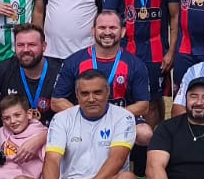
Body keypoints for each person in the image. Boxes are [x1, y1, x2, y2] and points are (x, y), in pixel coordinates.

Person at [11, 69, 139, 179]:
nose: (91, 98)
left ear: (108, 92)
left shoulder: (123, 117)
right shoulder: (62, 118)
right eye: (85, 93)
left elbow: (116, 160)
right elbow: (52, 160)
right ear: (77, 95)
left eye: (97, 92)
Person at [104, 0, 179, 129]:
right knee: (123, 97)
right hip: (126, 49)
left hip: (157, 52)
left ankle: (154, 147)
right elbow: (109, 17)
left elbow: (175, 17)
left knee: (155, 101)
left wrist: (171, 52)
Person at [50, 11, 153, 141]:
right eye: (102, 28)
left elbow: (143, 106)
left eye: (113, 28)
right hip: (82, 118)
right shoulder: (74, 61)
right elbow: (56, 102)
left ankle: (136, 161)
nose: (107, 32)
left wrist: (109, 116)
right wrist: (84, 115)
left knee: (144, 134)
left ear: (122, 32)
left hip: (119, 119)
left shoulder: (135, 64)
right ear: (93, 31)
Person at [0, 24, 63, 137]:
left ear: (44, 46)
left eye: (32, 45)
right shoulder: (6, 67)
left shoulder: (60, 71)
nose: (26, 50)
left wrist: (43, 137)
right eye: (20, 45)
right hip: (11, 127)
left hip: (49, 132)